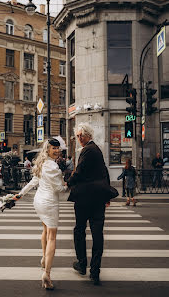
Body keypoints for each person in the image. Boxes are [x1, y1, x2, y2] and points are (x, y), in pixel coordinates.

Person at [13, 138, 66, 290]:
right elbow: (59, 189)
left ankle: (44, 259)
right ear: (48, 149)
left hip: (39, 202)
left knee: (45, 230)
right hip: (49, 203)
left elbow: (33, 182)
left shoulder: (42, 163)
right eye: (54, 148)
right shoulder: (53, 166)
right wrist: (66, 185)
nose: (57, 151)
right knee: (52, 237)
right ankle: (47, 274)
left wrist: (20, 194)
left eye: (58, 148)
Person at [67, 122, 112, 286]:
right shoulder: (96, 150)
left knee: (79, 230)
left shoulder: (87, 150)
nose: (79, 138)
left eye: (81, 135)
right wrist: (106, 195)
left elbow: (78, 173)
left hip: (84, 199)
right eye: (77, 136)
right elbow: (104, 172)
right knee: (97, 234)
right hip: (98, 199)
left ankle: (82, 264)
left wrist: (67, 183)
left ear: (88, 135)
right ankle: (95, 272)